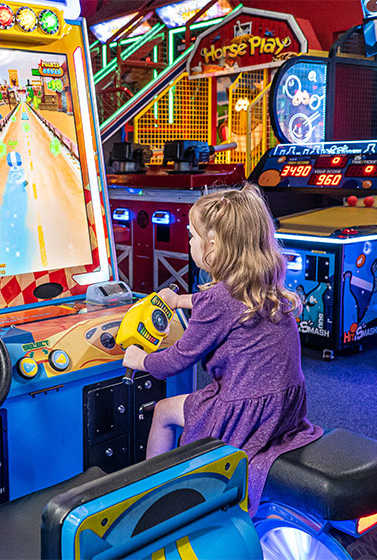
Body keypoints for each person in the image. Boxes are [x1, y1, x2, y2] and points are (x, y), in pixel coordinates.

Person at [122, 184, 323, 516]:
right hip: (283, 406)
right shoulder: (263, 280)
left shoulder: (219, 300)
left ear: (212, 245)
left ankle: (154, 496)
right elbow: (221, 305)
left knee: (162, 411)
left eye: (191, 235)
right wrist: (177, 300)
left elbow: (178, 358)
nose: (188, 242)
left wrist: (140, 359)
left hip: (244, 411)